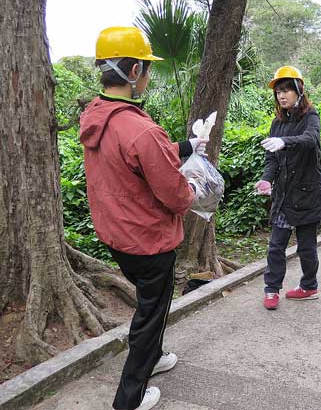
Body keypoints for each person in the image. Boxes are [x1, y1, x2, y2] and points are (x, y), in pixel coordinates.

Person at [80, 27, 208, 410]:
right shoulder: (140, 127)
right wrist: (194, 192)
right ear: (133, 71)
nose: (148, 77)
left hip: (116, 234)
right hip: (149, 240)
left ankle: (154, 356)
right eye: (147, 69)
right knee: (150, 314)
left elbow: (136, 155)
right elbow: (174, 192)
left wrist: (186, 146)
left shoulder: (96, 114)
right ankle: (129, 398)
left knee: (151, 303)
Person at [255, 65, 321, 310]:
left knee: (306, 247)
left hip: (308, 194)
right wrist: (267, 179)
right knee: (276, 245)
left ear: (299, 91)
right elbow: (271, 159)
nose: (282, 96)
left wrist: (284, 142)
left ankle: (309, 286)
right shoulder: (277, 123)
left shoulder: (310, 117)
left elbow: (311, 140)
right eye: (278, 91)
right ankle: (272, 289)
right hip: (285, 195)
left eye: (287, 90)